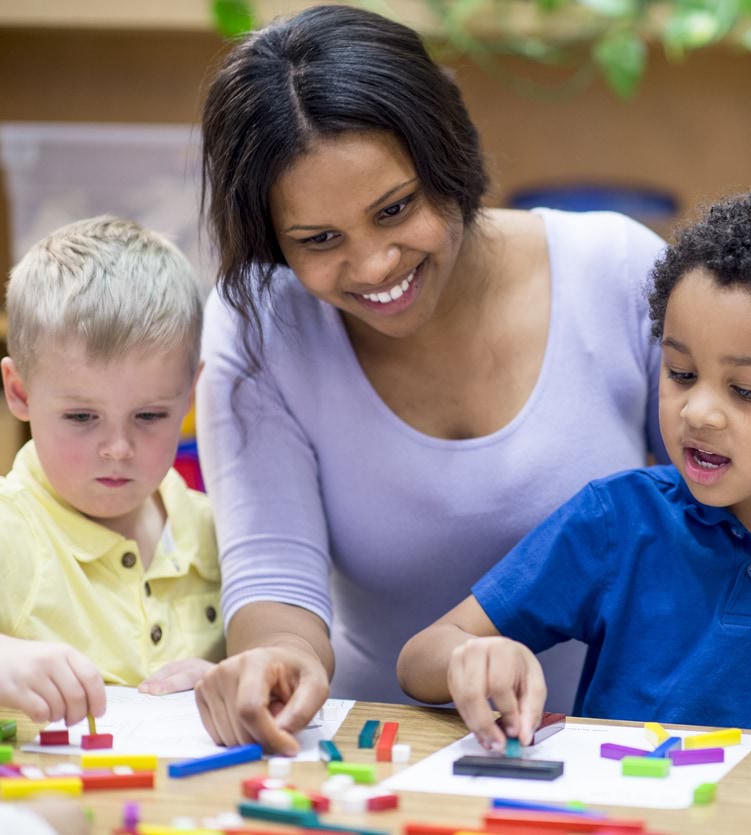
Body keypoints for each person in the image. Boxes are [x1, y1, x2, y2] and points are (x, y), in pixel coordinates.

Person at [193, 4, 668, 754]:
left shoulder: (615, 270)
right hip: (376, 756)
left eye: (396, 208)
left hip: (630, 744)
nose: (376, 264)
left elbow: (728, 524)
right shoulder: (261, 326)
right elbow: (274, 577)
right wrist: (275, 664)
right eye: (319, 240)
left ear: (449, 154)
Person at [397, 186, 751, 751]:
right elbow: (421, 657)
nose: (698, 411)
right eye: (681, 373)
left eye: (746, 390)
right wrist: (472, 657)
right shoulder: (617, 519)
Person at [0, 216, 220, 726]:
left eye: (149, 416)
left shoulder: (214, 528)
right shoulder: (9, 527)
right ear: (20, 393)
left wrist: (231, 678)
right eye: (82, 417)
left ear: (190, 397)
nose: (118, 449)